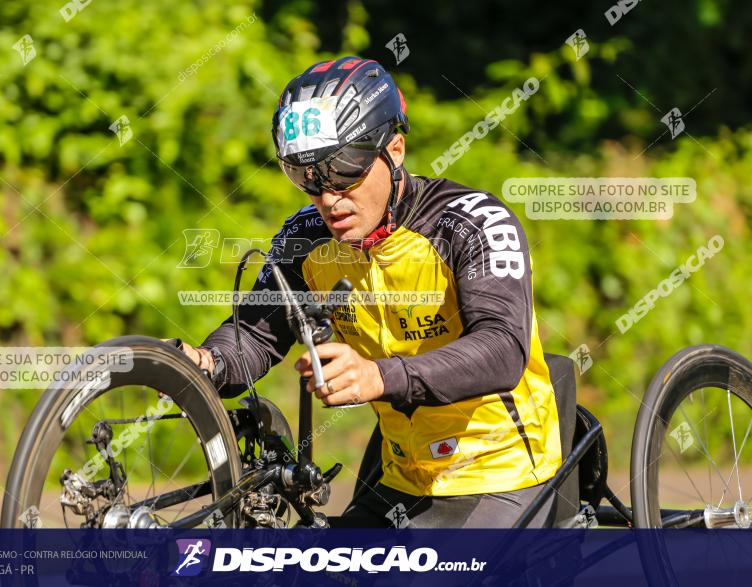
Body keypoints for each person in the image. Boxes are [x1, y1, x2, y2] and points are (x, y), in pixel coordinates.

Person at [175, 56, 562, 528]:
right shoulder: (308, 239)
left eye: (343, 171)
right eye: (307, 178)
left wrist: (378, 377)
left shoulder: (470, 222)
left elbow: (503, 349)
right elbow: (255, 336)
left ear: (394, 149)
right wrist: (204, 363)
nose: (329, 198)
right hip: (399, 478)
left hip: (500, 472)